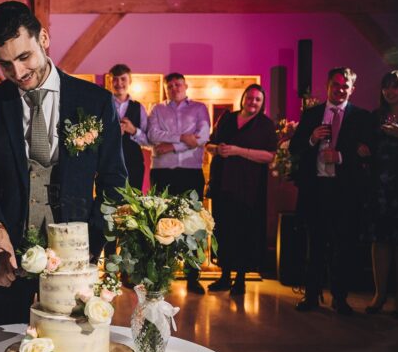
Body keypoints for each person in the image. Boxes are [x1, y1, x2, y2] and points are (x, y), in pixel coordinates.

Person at [0, 1, 127, 326]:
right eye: (5, 64)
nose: (18, 73)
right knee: (4, 351)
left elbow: (114, 180)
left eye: (24, 57)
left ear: (44, 38)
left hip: (76, 257)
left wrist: (92, 243)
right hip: (9, 256)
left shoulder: (95, 101)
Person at [289, 67, 372, 315]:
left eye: (345, 85)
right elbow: (295, 148)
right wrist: (312, 138)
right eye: (335, 85)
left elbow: (368, 154)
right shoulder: (313, 113)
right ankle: (311, 296)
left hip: (345, 191)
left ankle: (340, 298)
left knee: (343, 246)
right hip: (316, 188)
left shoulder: (361, 117)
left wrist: (341, 156)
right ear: (327, 86)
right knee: (314, 244)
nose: (340, 89)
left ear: (352, 89)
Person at [206, 84, 277, 296]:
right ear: (243, 98)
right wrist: (217, 149)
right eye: (250, 98)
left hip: (249, 187)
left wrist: (239, 151)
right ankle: (225, 276)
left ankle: (241, 280)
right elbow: (209, 145)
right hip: (223, 184)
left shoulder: (265, 125)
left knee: (245, 232)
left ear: (262, 103)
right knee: (224, 231)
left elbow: (270, 156)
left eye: (257, 99)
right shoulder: (227, 118)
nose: (252, 102)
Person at [144, 72, 210, 294]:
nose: (174, 88)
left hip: (191, 172)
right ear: (165, 88)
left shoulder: (199, 109)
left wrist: (172, 145)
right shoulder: (157, 109)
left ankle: (193, 277)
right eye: (169, 85)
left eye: (177, 84)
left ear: (186, 86)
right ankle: (163, 275)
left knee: (194, 224)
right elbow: (153, 135)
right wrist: (183, 138)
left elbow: (201, 137)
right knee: (161, 222)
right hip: (163, 173)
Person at [365, 70, 398, 317]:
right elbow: (367, 146)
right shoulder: (375, 116)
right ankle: (379, 295)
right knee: (380, 241)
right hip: (380, 187)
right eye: (386, 87)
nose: (390, 91)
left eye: (395, 87)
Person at [109, 63, 147, 190]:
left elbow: (148, 141)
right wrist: (112, 133)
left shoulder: (139, 107)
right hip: (109, 163)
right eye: (115, 79)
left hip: (134, 164)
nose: (119, 83)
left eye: (123, 79)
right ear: (110, 81)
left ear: (130, 81)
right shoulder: (103, 105)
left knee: (134, 204)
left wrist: (134, 131)